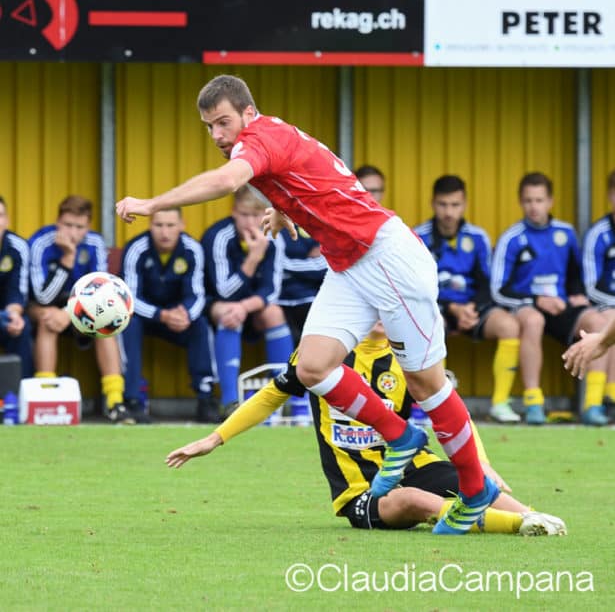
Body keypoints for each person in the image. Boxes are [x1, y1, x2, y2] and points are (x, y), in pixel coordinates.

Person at [116, 74, 500, 535]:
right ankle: (400, 435)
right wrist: (285, 207)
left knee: (426, 385)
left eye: (222, 122)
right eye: (208, 127)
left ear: (248, 114)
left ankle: (475, 491)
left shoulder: (257, 141)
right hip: (348, 265)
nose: (216, 134)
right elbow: (316, 172)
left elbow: (227, 181)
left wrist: (152, 203)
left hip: (387, 257)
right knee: (313, 368)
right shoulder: (271, 135)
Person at [166, 322, 567, 537]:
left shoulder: (410, 360)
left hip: (413, 463)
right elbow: (273, 394)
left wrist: (482, 462)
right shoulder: (322, 355)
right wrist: (215, 438)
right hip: (358, 489)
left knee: (478, 484)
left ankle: (537, 519)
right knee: (413, 501)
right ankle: (517, 527)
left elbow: (451, 412)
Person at [491, 172, 612, 426]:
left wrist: (577, 294)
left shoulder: (565, 233)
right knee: (533, 320)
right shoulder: (511, 238)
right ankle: (534, 402)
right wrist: (536, 299)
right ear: (520, 202)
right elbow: (499, 290)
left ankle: (593, 405)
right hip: (527, 306)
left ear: (550, 201)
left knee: (599, 322)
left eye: (539, 200)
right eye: (528, 201)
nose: (533, 207)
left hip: (560, 305)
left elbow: (575, 274)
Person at [414, 175, 526, 424]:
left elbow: (487, 283)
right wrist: (451, 307)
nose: (448, 212)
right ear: (433, 203)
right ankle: (435, 405)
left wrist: (472, 308)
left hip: (471, 308)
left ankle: (500, 403)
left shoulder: (478, 237)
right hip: (437, 309)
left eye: (455, 205)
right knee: (430, 322)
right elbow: (417, 286)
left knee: (509, 325)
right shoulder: (418, 236)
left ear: (464, 205)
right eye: (443, 204)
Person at [29, 195, 131, 423]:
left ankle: (115, 402)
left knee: (105, 324)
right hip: (45, 307)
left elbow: (104, 291)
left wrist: (69, 312)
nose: (73, 233)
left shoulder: (95, 243)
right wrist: (68, 258)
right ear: (58, 221)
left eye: (79, 227)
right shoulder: (40, 242)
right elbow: (42, 297)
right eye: (67, 225)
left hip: (83, 308)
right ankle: (46, 396)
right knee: (47, 317)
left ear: (88, 226)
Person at [201, 186, 294, 414]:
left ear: (266, 214)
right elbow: (224, 292)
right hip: (216, 306)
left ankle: (285, 398)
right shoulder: (219, 236)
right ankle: (230, 401)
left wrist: (244, 306)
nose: (250, 222)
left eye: (256, 215)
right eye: (244, 214)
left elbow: (272, 290)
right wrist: (253, 258)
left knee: (274, 312)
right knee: (228, 312)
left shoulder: (274, 236)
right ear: (234, 211)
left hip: (251, 306)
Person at [120, 208, 217, 423]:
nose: (165, 232)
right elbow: (129, 298)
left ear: (182, 225)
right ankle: (132, 401)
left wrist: (186, 315)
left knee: (200, 324)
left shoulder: (192, 249)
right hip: (144, 316)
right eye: (159, 225)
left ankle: (205, 398)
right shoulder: (136, 248)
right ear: (150, 225)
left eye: (171, 225)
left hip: (178, 318)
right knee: (127, 324)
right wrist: (160, 315)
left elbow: (197, 295)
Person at [580, 168, 615, 418]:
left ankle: (611, 395)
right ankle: (593, 403)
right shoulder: (598, 234)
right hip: (600, 304)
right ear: (610, 196)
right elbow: (590, 286)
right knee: (609, 320)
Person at [275, 226, 327, 346]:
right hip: (277, 299)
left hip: (310, 297)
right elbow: (268, 261)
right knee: (272, 315)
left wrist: (281, 265)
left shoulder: (317, 223)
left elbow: (324, 266)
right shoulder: (269, 225)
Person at [0, 196, 34, 378]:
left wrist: (13, 315)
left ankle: (20, 391)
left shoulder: (17, 246)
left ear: (6, 220)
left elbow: (17, 292)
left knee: (21, 326)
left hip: (3, 316)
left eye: (0, 215)